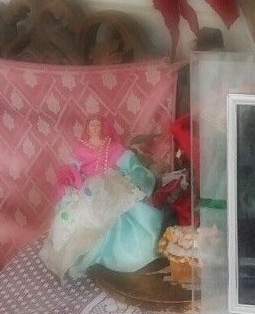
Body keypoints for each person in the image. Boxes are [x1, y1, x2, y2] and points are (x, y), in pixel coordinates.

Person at [39, 117, 163, 280]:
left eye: (98, 124)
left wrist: (137, 178)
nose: (95, 128)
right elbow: (70, 170)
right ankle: (83, 253)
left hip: (112, 184)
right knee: (82, 215)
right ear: (87, 128)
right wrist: (70, 182)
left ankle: (122, 251)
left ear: (103, 127)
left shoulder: (113, 147)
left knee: (122, 209)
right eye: (92, 125)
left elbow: (132, 165)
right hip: (88, 188)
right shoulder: (81, 150)